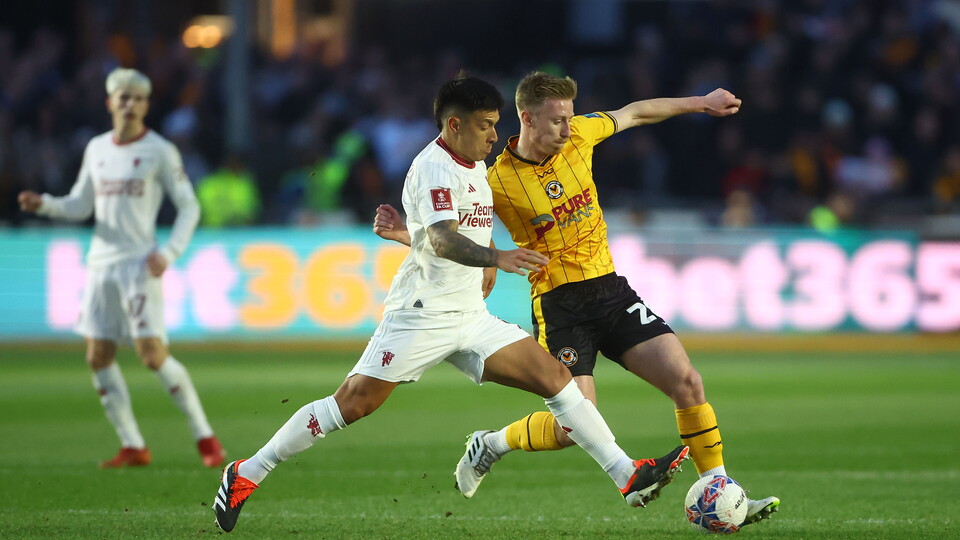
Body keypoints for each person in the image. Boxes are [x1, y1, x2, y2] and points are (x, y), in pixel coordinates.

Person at [212, 76, 689, 533]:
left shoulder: (474, 165)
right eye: (485, 125)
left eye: (496, 123)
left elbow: (450, 230)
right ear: (454, 124)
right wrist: (496, 258)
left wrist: (433, 244)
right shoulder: (433, 167)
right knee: (353, 403)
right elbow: (442, 240)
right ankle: (247, 471)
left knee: (556, 379)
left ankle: (626, 475)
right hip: (423, 315)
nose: (494, 135)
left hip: (470, 317)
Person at [374, 71, 780, 527]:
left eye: (569, 118)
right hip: (560, 305)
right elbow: (452, 234)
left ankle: (723, 492)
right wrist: (402, 234)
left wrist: (701, 102)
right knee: (576, 422)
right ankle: (490, 444)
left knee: (687, 382)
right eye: (556, 122)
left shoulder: (581, 135)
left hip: (610, 289)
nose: (567, 129)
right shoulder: (495, 180)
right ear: (526, 119)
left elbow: (637, 112)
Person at [17, 68, 224, 469]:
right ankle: (133, 445)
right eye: (123, 97)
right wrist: (44, 204)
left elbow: (190, 206)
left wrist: (169, 252)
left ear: (146, 105)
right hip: (100, 265)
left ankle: (205, 438)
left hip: (137, 264)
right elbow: (80, 205)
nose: (130, 104)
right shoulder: (96, 149)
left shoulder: (160, 150)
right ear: (110, 102)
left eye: (137, 98)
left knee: (150, 354)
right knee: (98, 355)